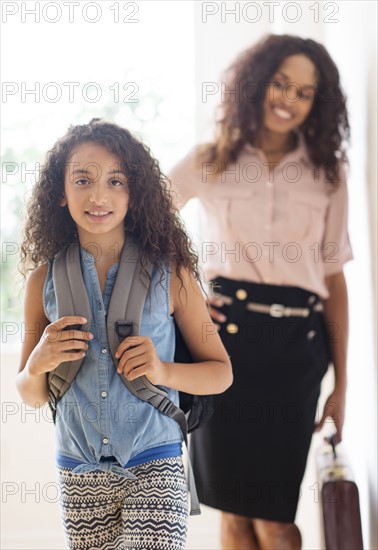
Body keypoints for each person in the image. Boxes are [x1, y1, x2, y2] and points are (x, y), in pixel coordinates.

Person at [169, 34, 353, 549]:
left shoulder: (329, 171)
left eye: (305, 92)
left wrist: (342, 383)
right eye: (281, 83)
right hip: (222, 344)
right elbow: (145, 223)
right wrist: (183, 289)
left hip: (298, 351)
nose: (289, 99)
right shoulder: (212, 158)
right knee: (232, 513)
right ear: (257, 84)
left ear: (318, 103)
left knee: (274, 518)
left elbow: (334, 278)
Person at [16, 118, 233, 550]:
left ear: (136, 192)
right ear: (61, 192)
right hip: (78, 468)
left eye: (116, 181)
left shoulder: (171, 273)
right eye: (83, 180)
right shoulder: (43, 282)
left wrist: (162, 370)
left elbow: (221, 372)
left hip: (156, 460)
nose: (99, 195)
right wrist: (39, 361)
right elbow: (32, 392)